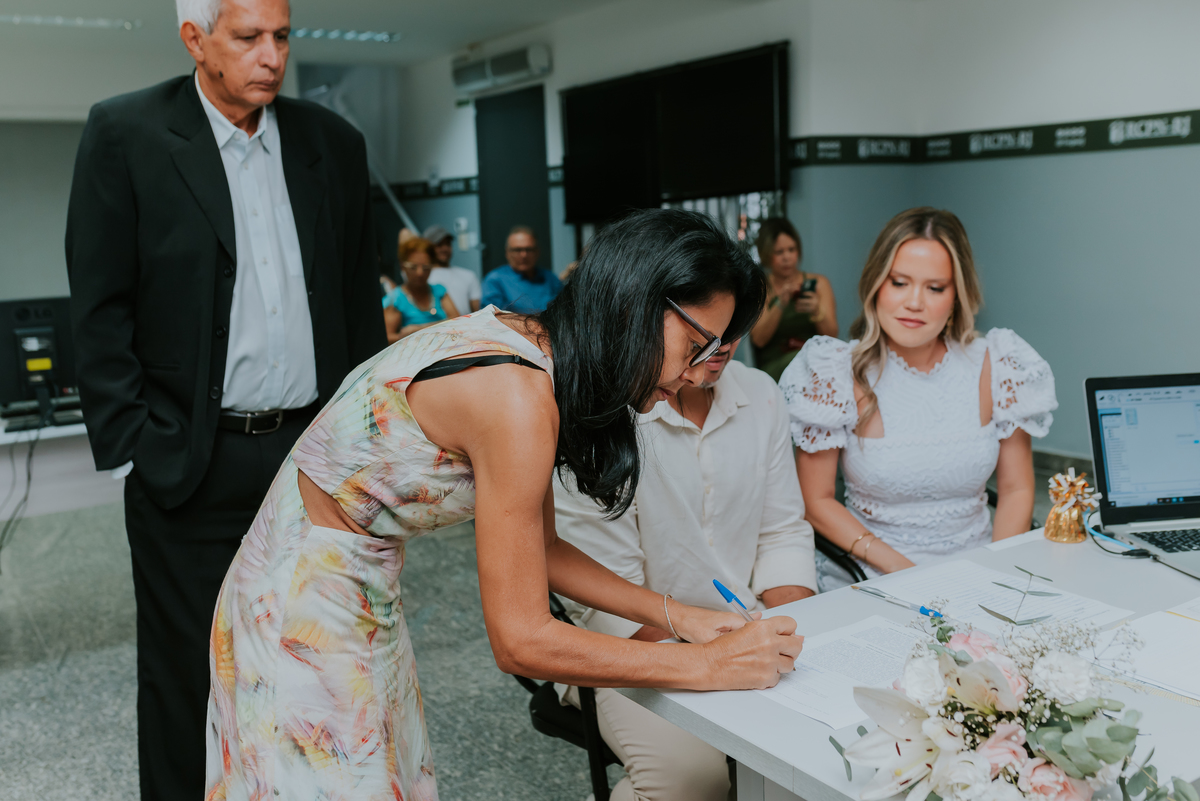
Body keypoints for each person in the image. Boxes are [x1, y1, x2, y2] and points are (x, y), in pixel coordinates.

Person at [205, 209, 805, 799]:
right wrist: (709, 666)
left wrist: (683, 617)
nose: (701, 373)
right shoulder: (516, 397)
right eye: (696, 346)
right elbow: (519, 640)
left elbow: (543, 550)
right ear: (632, 306)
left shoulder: (536, 351)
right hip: (301, 593)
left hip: (350, 576)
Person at [63, 0, 386, 797]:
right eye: (248, 38)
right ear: (195, 39)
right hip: (190, 460)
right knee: (188, 681)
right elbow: (98, 307)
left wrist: (365, 445)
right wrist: (137, 441)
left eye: (281, 36)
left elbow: (355, 303)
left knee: (318, 670)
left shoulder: (330, 144)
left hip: (309, 460)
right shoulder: (127, 134)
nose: (271, 56)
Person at [553, 335, 818, 801]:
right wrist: (721, 660)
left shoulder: (760, 393)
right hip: (623, 646)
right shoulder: (598, 411)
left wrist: (790, 627)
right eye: (704, 332)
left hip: (746, 624)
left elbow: (781, 531)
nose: (721, 344)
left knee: (814, 750)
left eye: (735, 326)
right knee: (691, 779)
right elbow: (609, 599)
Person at [779, 207, 1057, 591]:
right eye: (899, 282)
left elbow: (1017, 489)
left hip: (980, 572)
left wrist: (997, 577)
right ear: (876, 284)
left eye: (935, 288)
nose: (914, 302)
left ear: (957, 296)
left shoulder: (999, 362)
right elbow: (817, 501)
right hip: (872, 574)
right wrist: (910, 575)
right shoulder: (834, 370)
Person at [751, 219, 838, 381]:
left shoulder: (819, 283)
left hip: (815, 360)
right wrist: (780, 303)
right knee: (803, 360)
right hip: (776, 366)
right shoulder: (761, 288)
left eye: (791, 250)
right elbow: (759, 340)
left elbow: (832, 337)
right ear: (766, 255)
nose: (787, 257)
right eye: (779, 252)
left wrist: (817, 311)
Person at [384, 236, 460, 343]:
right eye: (413, 267)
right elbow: (387, 337)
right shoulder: (395, 299)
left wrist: (418, 330)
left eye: (426, 268)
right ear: (402, 266)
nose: (420, 273)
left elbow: (458, 320)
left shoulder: (439, 291)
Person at [480, 225, 563, 313]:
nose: (524, 255)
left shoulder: (550, 278)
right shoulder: (495, 280)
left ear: (537, 252)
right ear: (507, 252)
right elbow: (492, 317)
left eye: (529, 249)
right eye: (517, 250)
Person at [424, 223, 482, 314]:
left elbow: (478, 312)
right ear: (428, 248)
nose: (445, 248)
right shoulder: (422, 277)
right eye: (439, 245)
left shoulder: (468, 275)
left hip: (465, 326)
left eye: (448, 244)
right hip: (434, 326)